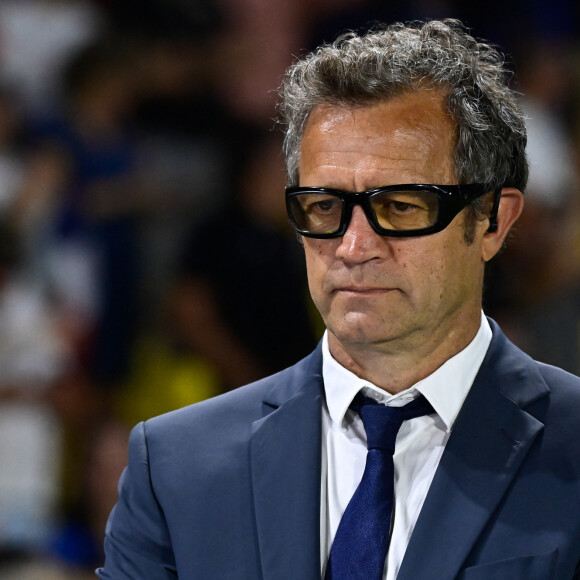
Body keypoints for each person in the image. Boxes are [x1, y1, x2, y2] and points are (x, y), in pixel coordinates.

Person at [97, 19, 580, 579]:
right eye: (325, 207)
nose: (353, 246)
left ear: (493, 221)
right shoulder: (175, 467)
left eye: (401, 206)